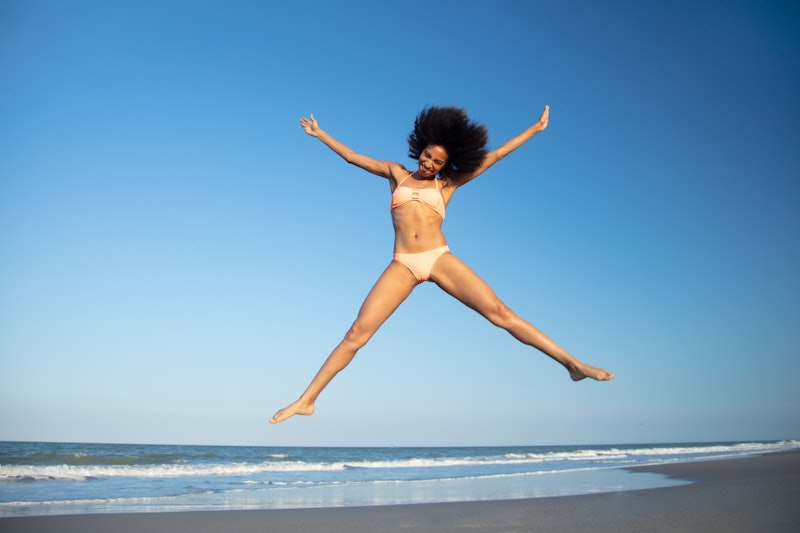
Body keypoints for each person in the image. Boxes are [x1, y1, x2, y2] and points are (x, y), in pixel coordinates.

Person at [270, 105, 614, 424]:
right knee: (356, 333)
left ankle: (573, 364)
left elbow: (496, 155)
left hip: (437, 257)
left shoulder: (447, 184)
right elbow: (351, 157)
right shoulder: (396, 174)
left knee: (501, 313)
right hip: (403, 263)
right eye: (427, 156)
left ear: (445, 165)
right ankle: (307, 400)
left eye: (437, 162)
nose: (429, 164)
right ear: (419, 149)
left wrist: (535, 129)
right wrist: (321, 134)